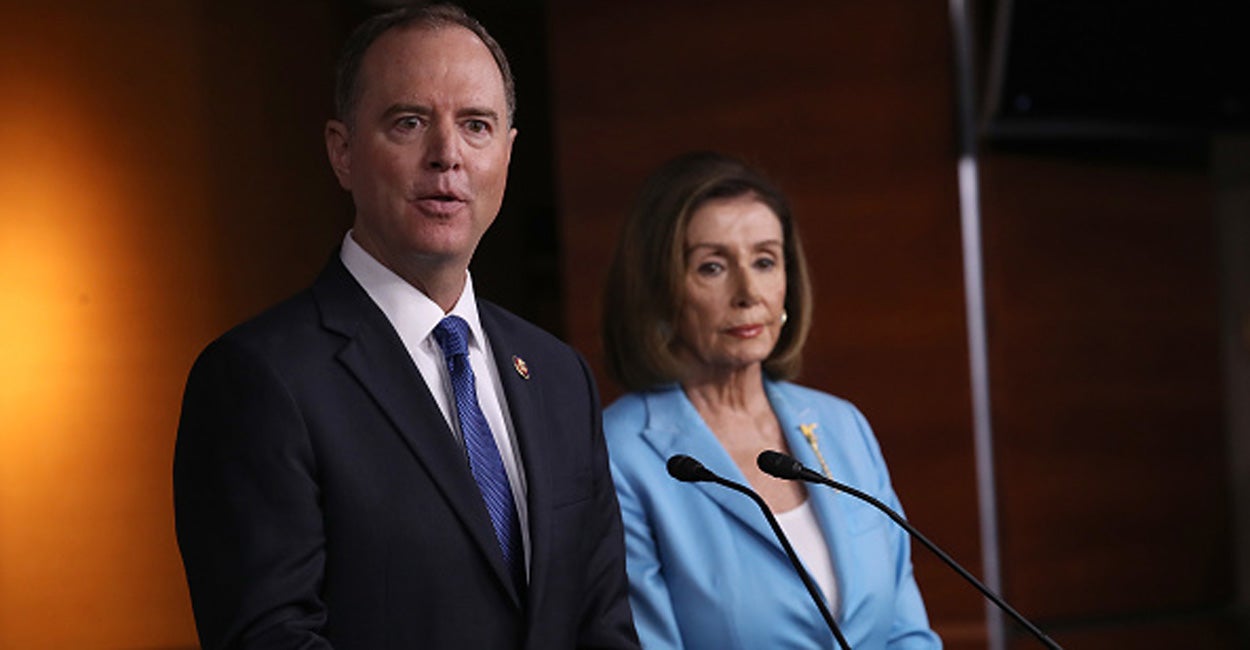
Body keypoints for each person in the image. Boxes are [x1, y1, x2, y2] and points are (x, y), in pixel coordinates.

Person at [173, 4, 638, 648]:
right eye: (410, 122)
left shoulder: (559, 375)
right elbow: (271, 635)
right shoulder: (257, 379)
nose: (447, 155)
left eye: (476, 125)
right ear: (342, 152)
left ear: (507, 153)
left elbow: (603, 623)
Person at [601, 151, 941, 649]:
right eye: (712, 267)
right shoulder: (620, 455)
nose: (748, 293)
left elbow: (907, 633)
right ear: (659, 288)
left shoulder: (842, 425)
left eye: (764, 261)